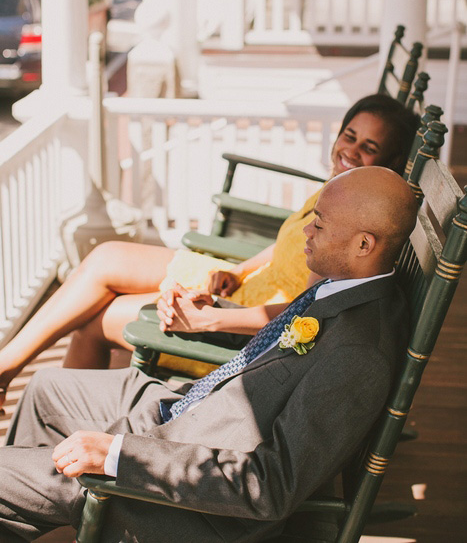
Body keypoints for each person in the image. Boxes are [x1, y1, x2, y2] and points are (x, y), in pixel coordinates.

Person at [0, 167, 419, 542]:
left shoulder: (359, 351)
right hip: (192, 412)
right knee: (44, 387)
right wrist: (209, 313)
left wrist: (117, 454)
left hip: (193, 503)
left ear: (364, 244)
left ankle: (44, 497)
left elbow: (268, 486)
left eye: (320, 225)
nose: (306, 231)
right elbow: (273, 344)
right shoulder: (348, 287)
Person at [0, 95, 419, 407]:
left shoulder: (350, 229)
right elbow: (285, 244)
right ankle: (7, 365)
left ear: (388, 162)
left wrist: (211, 317)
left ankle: (56, 431)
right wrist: (238, 270)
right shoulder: (339, 191)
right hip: (244, 287)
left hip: (249, 325)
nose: (352, 150)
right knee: (108, 257)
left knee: (96, 320)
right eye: (350, 135)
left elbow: (300, 311)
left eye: (369, 147)